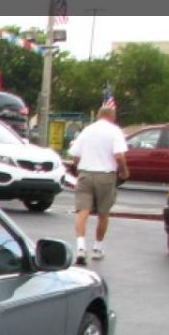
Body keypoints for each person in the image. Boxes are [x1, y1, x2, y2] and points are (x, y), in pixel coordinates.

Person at [68, 106, 129, 265]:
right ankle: (97, 247)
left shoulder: (87, 130)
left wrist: (79, 168)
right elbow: (119, 156)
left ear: (99, 116)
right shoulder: (115, 131)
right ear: (112, 116)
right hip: (106, 175)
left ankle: (81, 247)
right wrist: (124, 172)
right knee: (103, 212)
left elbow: (75, 155)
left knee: (83, 211)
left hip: (85, 174)